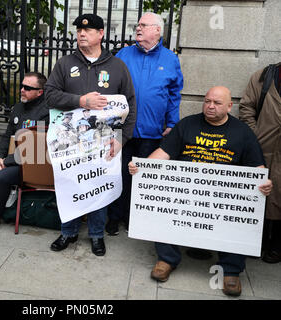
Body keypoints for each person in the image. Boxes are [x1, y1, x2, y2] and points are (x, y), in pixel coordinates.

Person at [128, 86, 273, 297]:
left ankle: (231, 270)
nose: (210, 106)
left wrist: (265, 183)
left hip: (224, 195)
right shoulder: (187, 124)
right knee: (163, 206)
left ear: (230, 106)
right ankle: (166, 259)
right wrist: (142, 168)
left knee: (242, 214)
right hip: (184, 191)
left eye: (217, 103)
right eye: (207, 101)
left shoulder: (243, 133)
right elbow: (163, 153)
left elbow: (257, 169)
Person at [45, 13, 137, 256]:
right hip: (71, 142)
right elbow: (49, 95)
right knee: (70, 186)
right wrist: (80, 100)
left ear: (101, 34)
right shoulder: (65, 64)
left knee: (98, 186)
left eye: (87, 31)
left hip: (104, 141)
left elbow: (130, 103)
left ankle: (97, 235)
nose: (81, 34)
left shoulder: (117, 66)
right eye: (78, 31)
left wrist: (122, 139)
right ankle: (68, 232)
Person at [106, 12, 184, 236]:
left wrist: (172, 122)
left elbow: (174, 95)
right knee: (118, 174)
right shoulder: (123, 54)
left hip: (152, 131)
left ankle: (134, 218)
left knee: (142, 176)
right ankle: (114, 217)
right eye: (137, 25)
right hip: (122, 129)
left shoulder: (170, 59)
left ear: (157, 30)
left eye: (143, 25)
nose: (138, 28)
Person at [0, 72, 49, 232]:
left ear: (40, 92)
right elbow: (7, 136)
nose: (22, 90)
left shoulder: (44, 112)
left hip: (34, 164)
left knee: (3, 176)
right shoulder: (18, 108)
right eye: (22, 86)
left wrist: (7, 161)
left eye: (27, 88)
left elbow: (36, 147)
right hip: (14, 159)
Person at [239, 62, 281, 263]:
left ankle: (277, 245)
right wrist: (256, 135)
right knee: (258, 193)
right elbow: (246, 107)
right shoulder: (265, 76)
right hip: (263, 147)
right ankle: (257, 241)